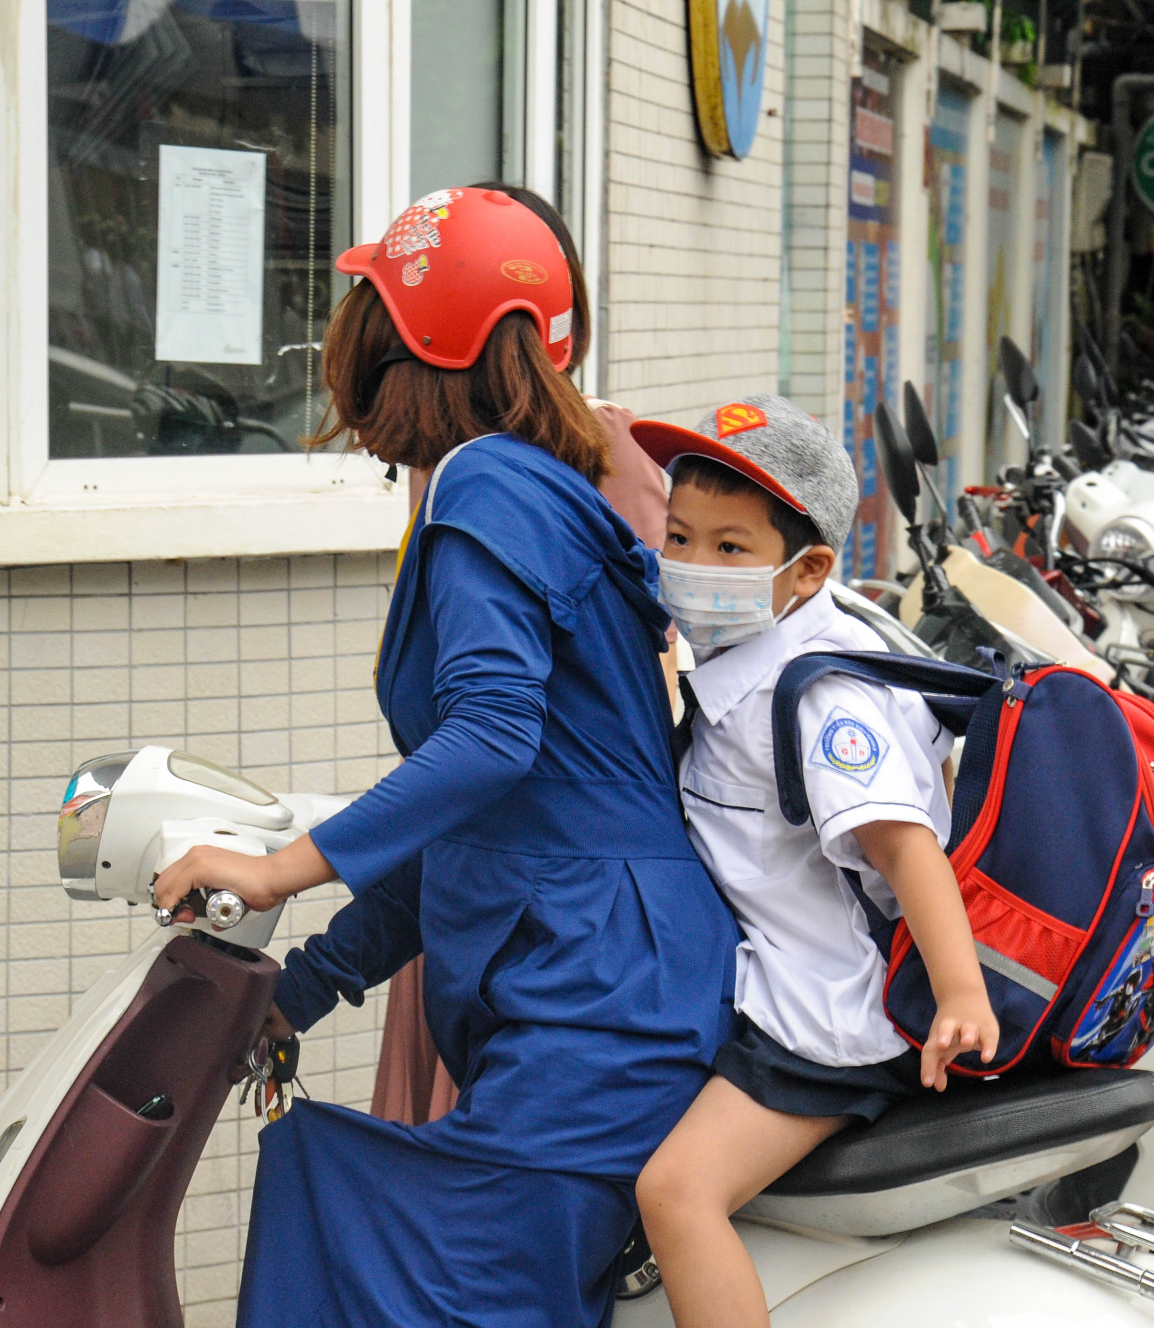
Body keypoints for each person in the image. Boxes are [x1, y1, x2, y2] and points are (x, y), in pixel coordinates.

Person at [151, 188, 739, 1326]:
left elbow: (486, 741)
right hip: (598, 985)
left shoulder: (486, 481)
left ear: (417, 345)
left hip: (592, 1005)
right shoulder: (535, 485)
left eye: (360, 333)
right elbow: (494, 814)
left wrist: (279, 867)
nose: (340, 370)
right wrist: (305, 984)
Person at [625, 396, 999, 1328]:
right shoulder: (762, 647)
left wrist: (959, 993)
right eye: (678, 536)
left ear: (810, 569)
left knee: (675, 1194)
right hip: (774, 984)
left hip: (826, 1021)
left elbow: (904, 845)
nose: (690, 566)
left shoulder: (823, 694)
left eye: (730, 549)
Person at [369, 181, 674, 1128]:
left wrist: (294, 863)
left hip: (550, 902)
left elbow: (636, 679)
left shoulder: (570, 458)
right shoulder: (454, 461)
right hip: (472, 863)